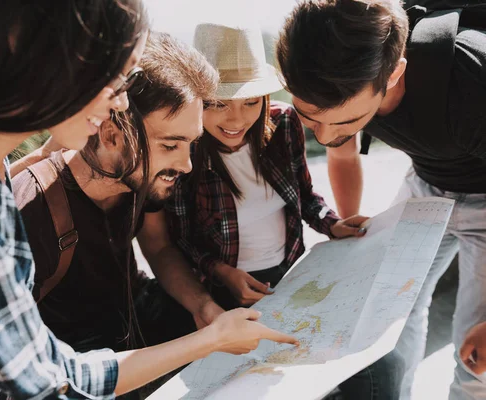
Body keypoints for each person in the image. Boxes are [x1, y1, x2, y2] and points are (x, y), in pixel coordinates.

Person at [0, 1, 297, 399]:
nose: (120, 102)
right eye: (115, 78)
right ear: (38, 48)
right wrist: (211, 340)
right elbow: (50, 382)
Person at [166, 20, 403, 399]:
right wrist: (223, 272)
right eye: (217, 104)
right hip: (224, 295)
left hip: (293, 277)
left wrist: (332, 223)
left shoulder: (284, 122)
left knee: (381, 368)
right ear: (196, 101)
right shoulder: (183, 149)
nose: (236, 119)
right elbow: (178, 239)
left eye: (249, 102)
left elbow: (305, 196)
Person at [277, 0, 486, 398]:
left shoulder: (471, 80)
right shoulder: (336, 80)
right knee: (387, 312)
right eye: (309, 119)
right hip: (425, 185)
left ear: (393, 75)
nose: (322, 136)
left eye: (342, 122)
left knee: (476, 359)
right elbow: (341, 153)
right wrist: (349, 225)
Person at [12, 32, 227, 362]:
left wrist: (202, 306)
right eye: (170, 145)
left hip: (130, 319)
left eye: (190, 144)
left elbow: (157, 246)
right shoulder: (30, 212)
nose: (185, 164)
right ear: (111, 135)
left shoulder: (141, 180)